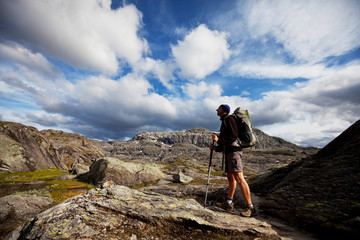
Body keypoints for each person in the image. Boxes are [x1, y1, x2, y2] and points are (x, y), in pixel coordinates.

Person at [209, 104, 256, 217]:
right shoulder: (225, 120)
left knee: (239, 178)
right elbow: (227, 140)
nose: (216, 109)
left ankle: (250, 207)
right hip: (230, 152)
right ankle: (229, 203)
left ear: (224, 110)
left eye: (218, 108)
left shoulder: (229, 119)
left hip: (234, 152)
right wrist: (216, 148)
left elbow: (233, 136)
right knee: (230, 178)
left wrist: (218, 139)